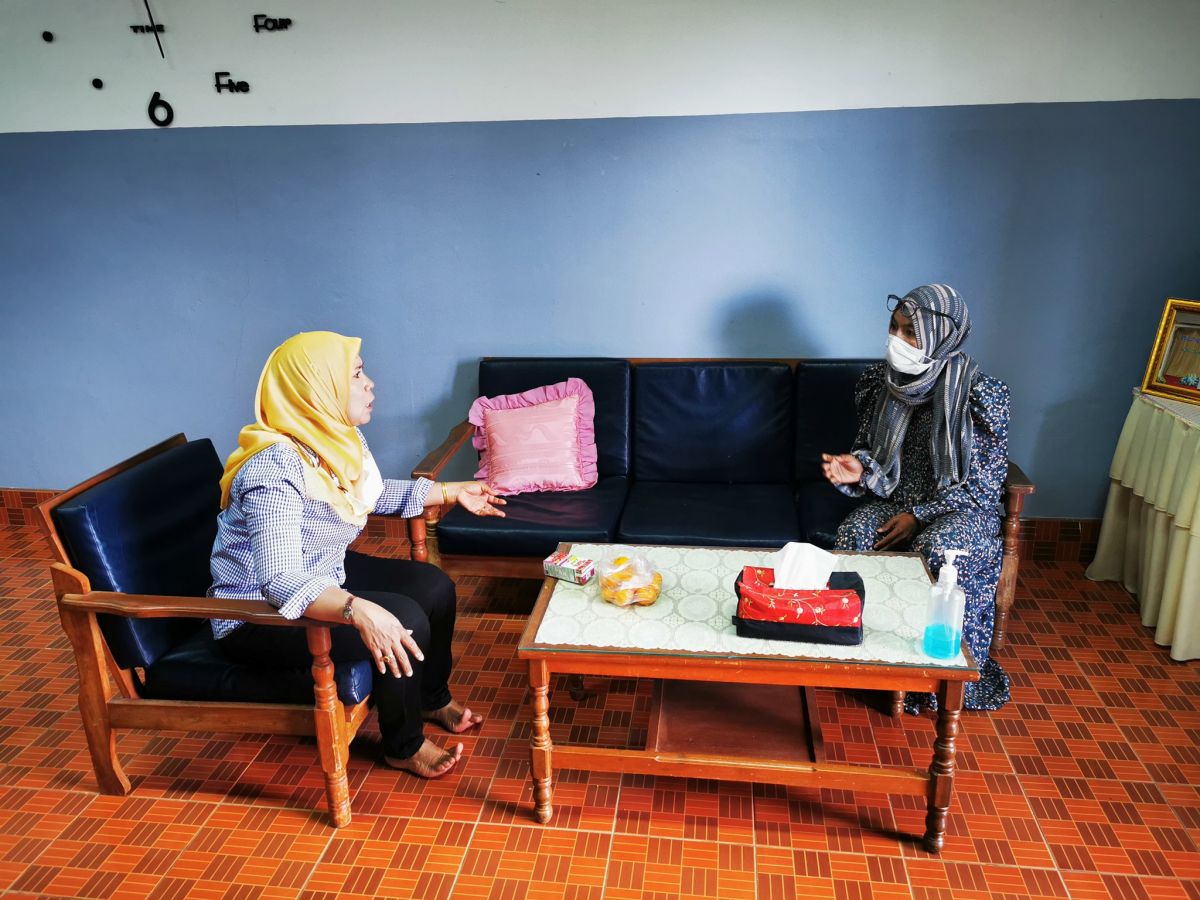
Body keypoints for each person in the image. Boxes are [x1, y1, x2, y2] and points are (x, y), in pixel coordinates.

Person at [208, 331, 506, 777]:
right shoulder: (272, 468)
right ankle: (403, 745)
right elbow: (280, 580)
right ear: (317, 388)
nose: (370, 384)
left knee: (435, 587)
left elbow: (369, 493)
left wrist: (450, 492)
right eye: (356, 375)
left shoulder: (334, 438)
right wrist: (358, 610)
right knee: (406, 616)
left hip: (322, 571)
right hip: (258, 614)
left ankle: (431, 698)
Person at [821, 284, 1011, 712]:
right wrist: (859, 468)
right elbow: (873, 453)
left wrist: (918, 516)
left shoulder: (981, 395)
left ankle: (936, 678)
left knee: (939, 548)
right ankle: (870, 660)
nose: (897, 340)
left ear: (943, 337)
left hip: (963, 508)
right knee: (855, 533)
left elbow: (983, 485)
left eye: (911, 332)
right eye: (894, 327)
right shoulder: (882, 383)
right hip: (899, 498)